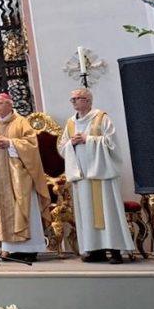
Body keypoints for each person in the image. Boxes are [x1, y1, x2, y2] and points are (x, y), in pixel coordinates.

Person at [57, 88, 136, 264]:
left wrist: (89, 139)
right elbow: (62, 147)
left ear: (88, 100)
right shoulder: (70, 123)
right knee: (87, 213)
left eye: (78, 98)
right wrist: (72, 143)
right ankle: (95, 250)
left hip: (102, 175)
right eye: (72, 99)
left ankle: (115, 250)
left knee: (108, 212)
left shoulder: (101, 118)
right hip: (82, 175)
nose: (74, 102)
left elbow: (112, 144)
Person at [0, 93, 50, 262]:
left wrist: (10, 143)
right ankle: (10, 249)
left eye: (0, 104)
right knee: (3, 209)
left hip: (20, 176)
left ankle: (30, 248)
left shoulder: (21, 122)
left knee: (23, 206)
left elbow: (31, 145)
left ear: (10, 105)